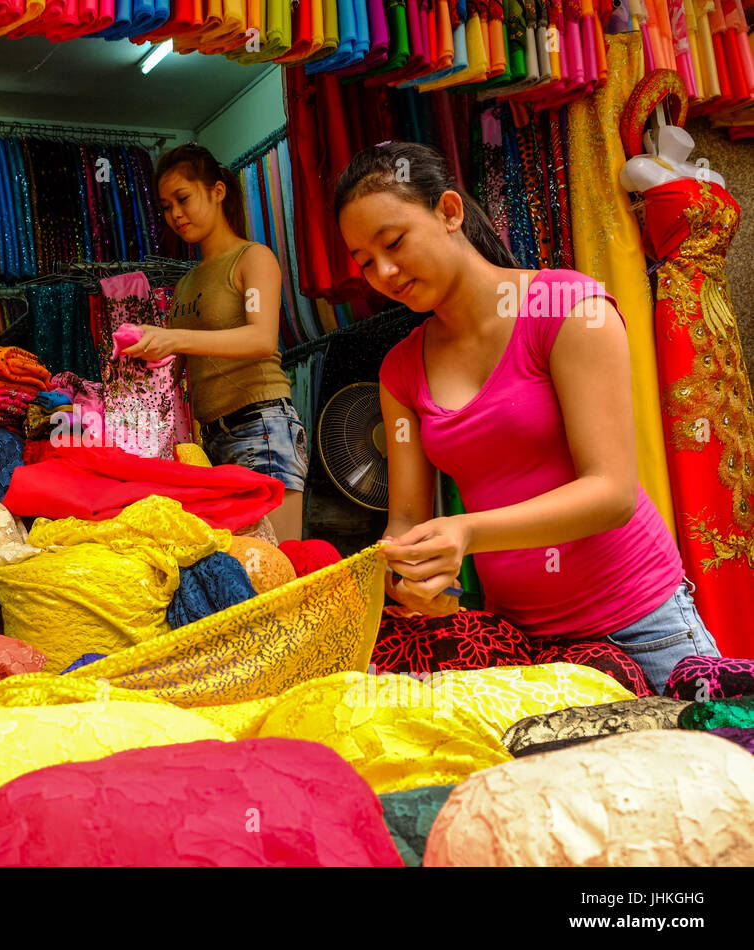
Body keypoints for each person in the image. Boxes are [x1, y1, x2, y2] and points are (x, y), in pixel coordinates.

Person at [335, 140, 720, 693]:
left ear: (448, 211)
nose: (386, 271)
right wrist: (405, 573)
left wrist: (465, 532)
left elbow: (611, 493)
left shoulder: (568, 309)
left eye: (393, 242)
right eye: (366, 263)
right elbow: (408, 518)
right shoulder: (399, 371)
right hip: (520, 644)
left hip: (641, 625)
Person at [123, 143, 308, 541]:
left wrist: (172, 337)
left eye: (183, 199)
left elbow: (262, 339)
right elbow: (179, 369)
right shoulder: (188, 281)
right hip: (212, 441)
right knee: (239, 576)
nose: (175, 214)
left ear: (218, 192)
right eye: (166, 205)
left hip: (262, 428)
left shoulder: (253, 258)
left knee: (275, 571)